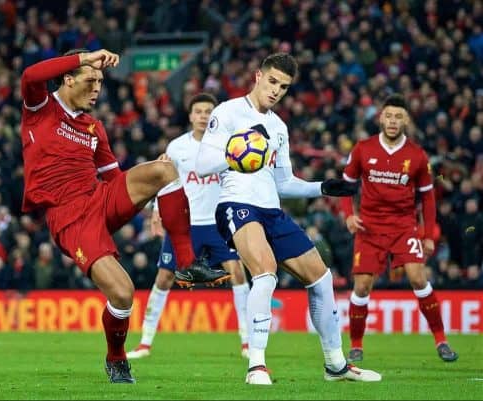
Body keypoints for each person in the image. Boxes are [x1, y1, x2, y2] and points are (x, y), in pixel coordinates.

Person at [19, 49, 229, 384]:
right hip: (69, 218)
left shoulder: (93, 127)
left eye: (101, 82)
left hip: (100, 200)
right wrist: (87, 56)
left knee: (164, 169)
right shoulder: (40, 109)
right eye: (90, 80)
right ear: (69, 79)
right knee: (122, 293)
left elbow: (116, 180)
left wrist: (155, 198)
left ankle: (186, 264)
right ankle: (116, 359)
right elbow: (30, 75)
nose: (97, 89)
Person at [195, 52, 382, 384]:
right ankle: (256, 365)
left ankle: (335, 365)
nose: (277, 90)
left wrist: (322, 187)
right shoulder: (227, 112)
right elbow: (204, 165)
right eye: (272, 82)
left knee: (321, 278)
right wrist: (236, 152)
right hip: (237, 203)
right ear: (258, 76)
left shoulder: (278, 127)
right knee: (266, 273)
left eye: (284, 86)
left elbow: (283, 182)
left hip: (271, 210)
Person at [126, 93, 249, 360]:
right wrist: (157, 211)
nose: (204, 115)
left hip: (218, 223)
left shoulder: (228, 145)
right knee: (164, 277)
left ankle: (247, 342)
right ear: (191, 115)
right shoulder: (176, 147)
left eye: (208, 111)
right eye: (199, 111)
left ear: (214, 116)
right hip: (185, 224)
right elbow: (165, 182)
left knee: (237, 273)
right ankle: (145, 343)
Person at [340, 94, 458, 363]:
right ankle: (356, 345)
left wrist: (428, 234)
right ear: (380, 118)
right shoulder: (362, 149)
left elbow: (427, 197)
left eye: (398, 117)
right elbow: (346, 185)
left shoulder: (417, 155)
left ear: (406, 120)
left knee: (418, 277)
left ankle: (441, 340)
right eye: (389, 116)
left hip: (404, 227)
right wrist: (349, 215)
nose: (393, 121)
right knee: (362, 286)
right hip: (369, 227)